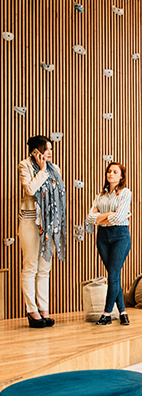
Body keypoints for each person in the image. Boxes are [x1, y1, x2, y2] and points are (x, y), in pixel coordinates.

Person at [17, 135, 67, 328]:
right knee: (30, 267)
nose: (50, 153)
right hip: (30, 221)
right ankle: (32, 311)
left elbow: (59, 194)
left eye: (51, 149)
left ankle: (44, 310)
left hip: (49, 224)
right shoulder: (25, 166)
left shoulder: (56, 169)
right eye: (46, 149)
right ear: (35, 151)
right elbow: (30, 190)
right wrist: (43, 170)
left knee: (45, 268)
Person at [86, 162, 132, 326]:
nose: (111, 174)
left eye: (115, 172)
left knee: (112, 275)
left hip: (120, 235)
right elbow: (89, 218)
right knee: (115, 275)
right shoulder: (100, 196)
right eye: (109, 171)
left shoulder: (126, 193)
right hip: (103, 237)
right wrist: (109, 215)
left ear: (121, 176)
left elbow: (118, 218)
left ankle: (106, 314)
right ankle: (122, 312)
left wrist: (101, 217)